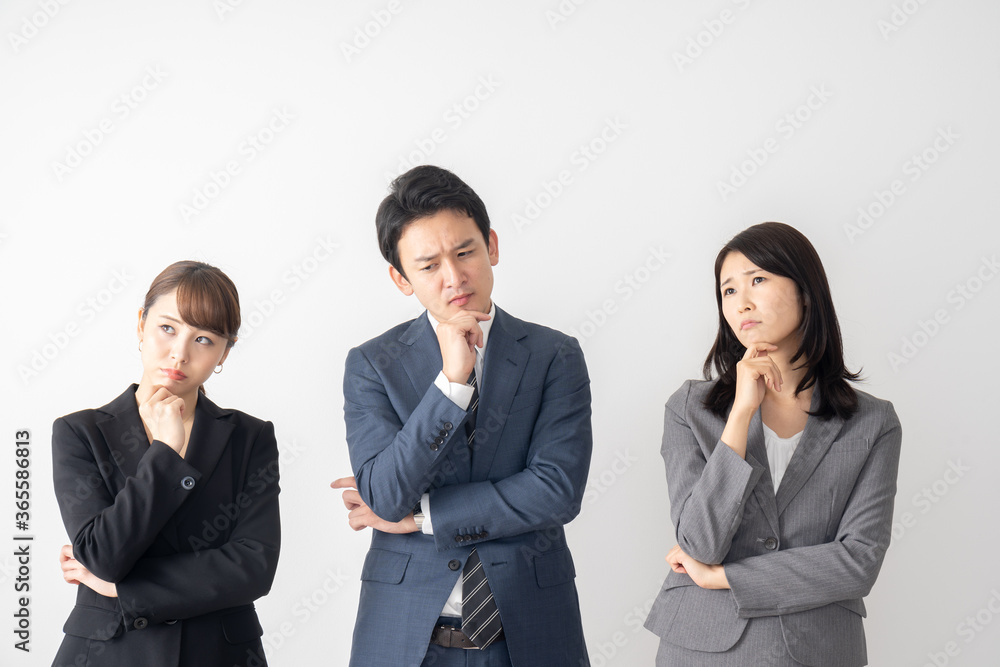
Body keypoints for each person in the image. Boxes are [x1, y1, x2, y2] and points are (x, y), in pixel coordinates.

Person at [332, 165, 593, 667]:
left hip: (529, 632)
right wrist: (451, 384)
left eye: (465, 252)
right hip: (405, 636)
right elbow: (384, 496)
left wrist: (424, 517)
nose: (453, 277)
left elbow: (557, 490)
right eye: (429, 265)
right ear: (401, 278)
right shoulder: (372, 364)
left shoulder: (554, 355)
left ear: (491, 245)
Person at [643, 222, 902, 666]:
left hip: (820, 647)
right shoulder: (689, 408)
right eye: (728, 290)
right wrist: (741, 414)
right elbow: (699, 543)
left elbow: (858, 562)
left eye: (758, 280)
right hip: (703, 647)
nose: (741, 301)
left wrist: (725, 577)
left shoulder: (873, 422)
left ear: (806, 291)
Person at [51, 261, 280, 667]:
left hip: (219, 654)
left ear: (225, 351)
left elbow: (254, 566)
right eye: (168, 328)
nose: (180, 353)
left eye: (204, 339)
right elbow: (103, 556)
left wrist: (126, 589)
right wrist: (166, 453)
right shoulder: (79, 432)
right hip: (108, 653)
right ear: (141, 324)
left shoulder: (250, 437)